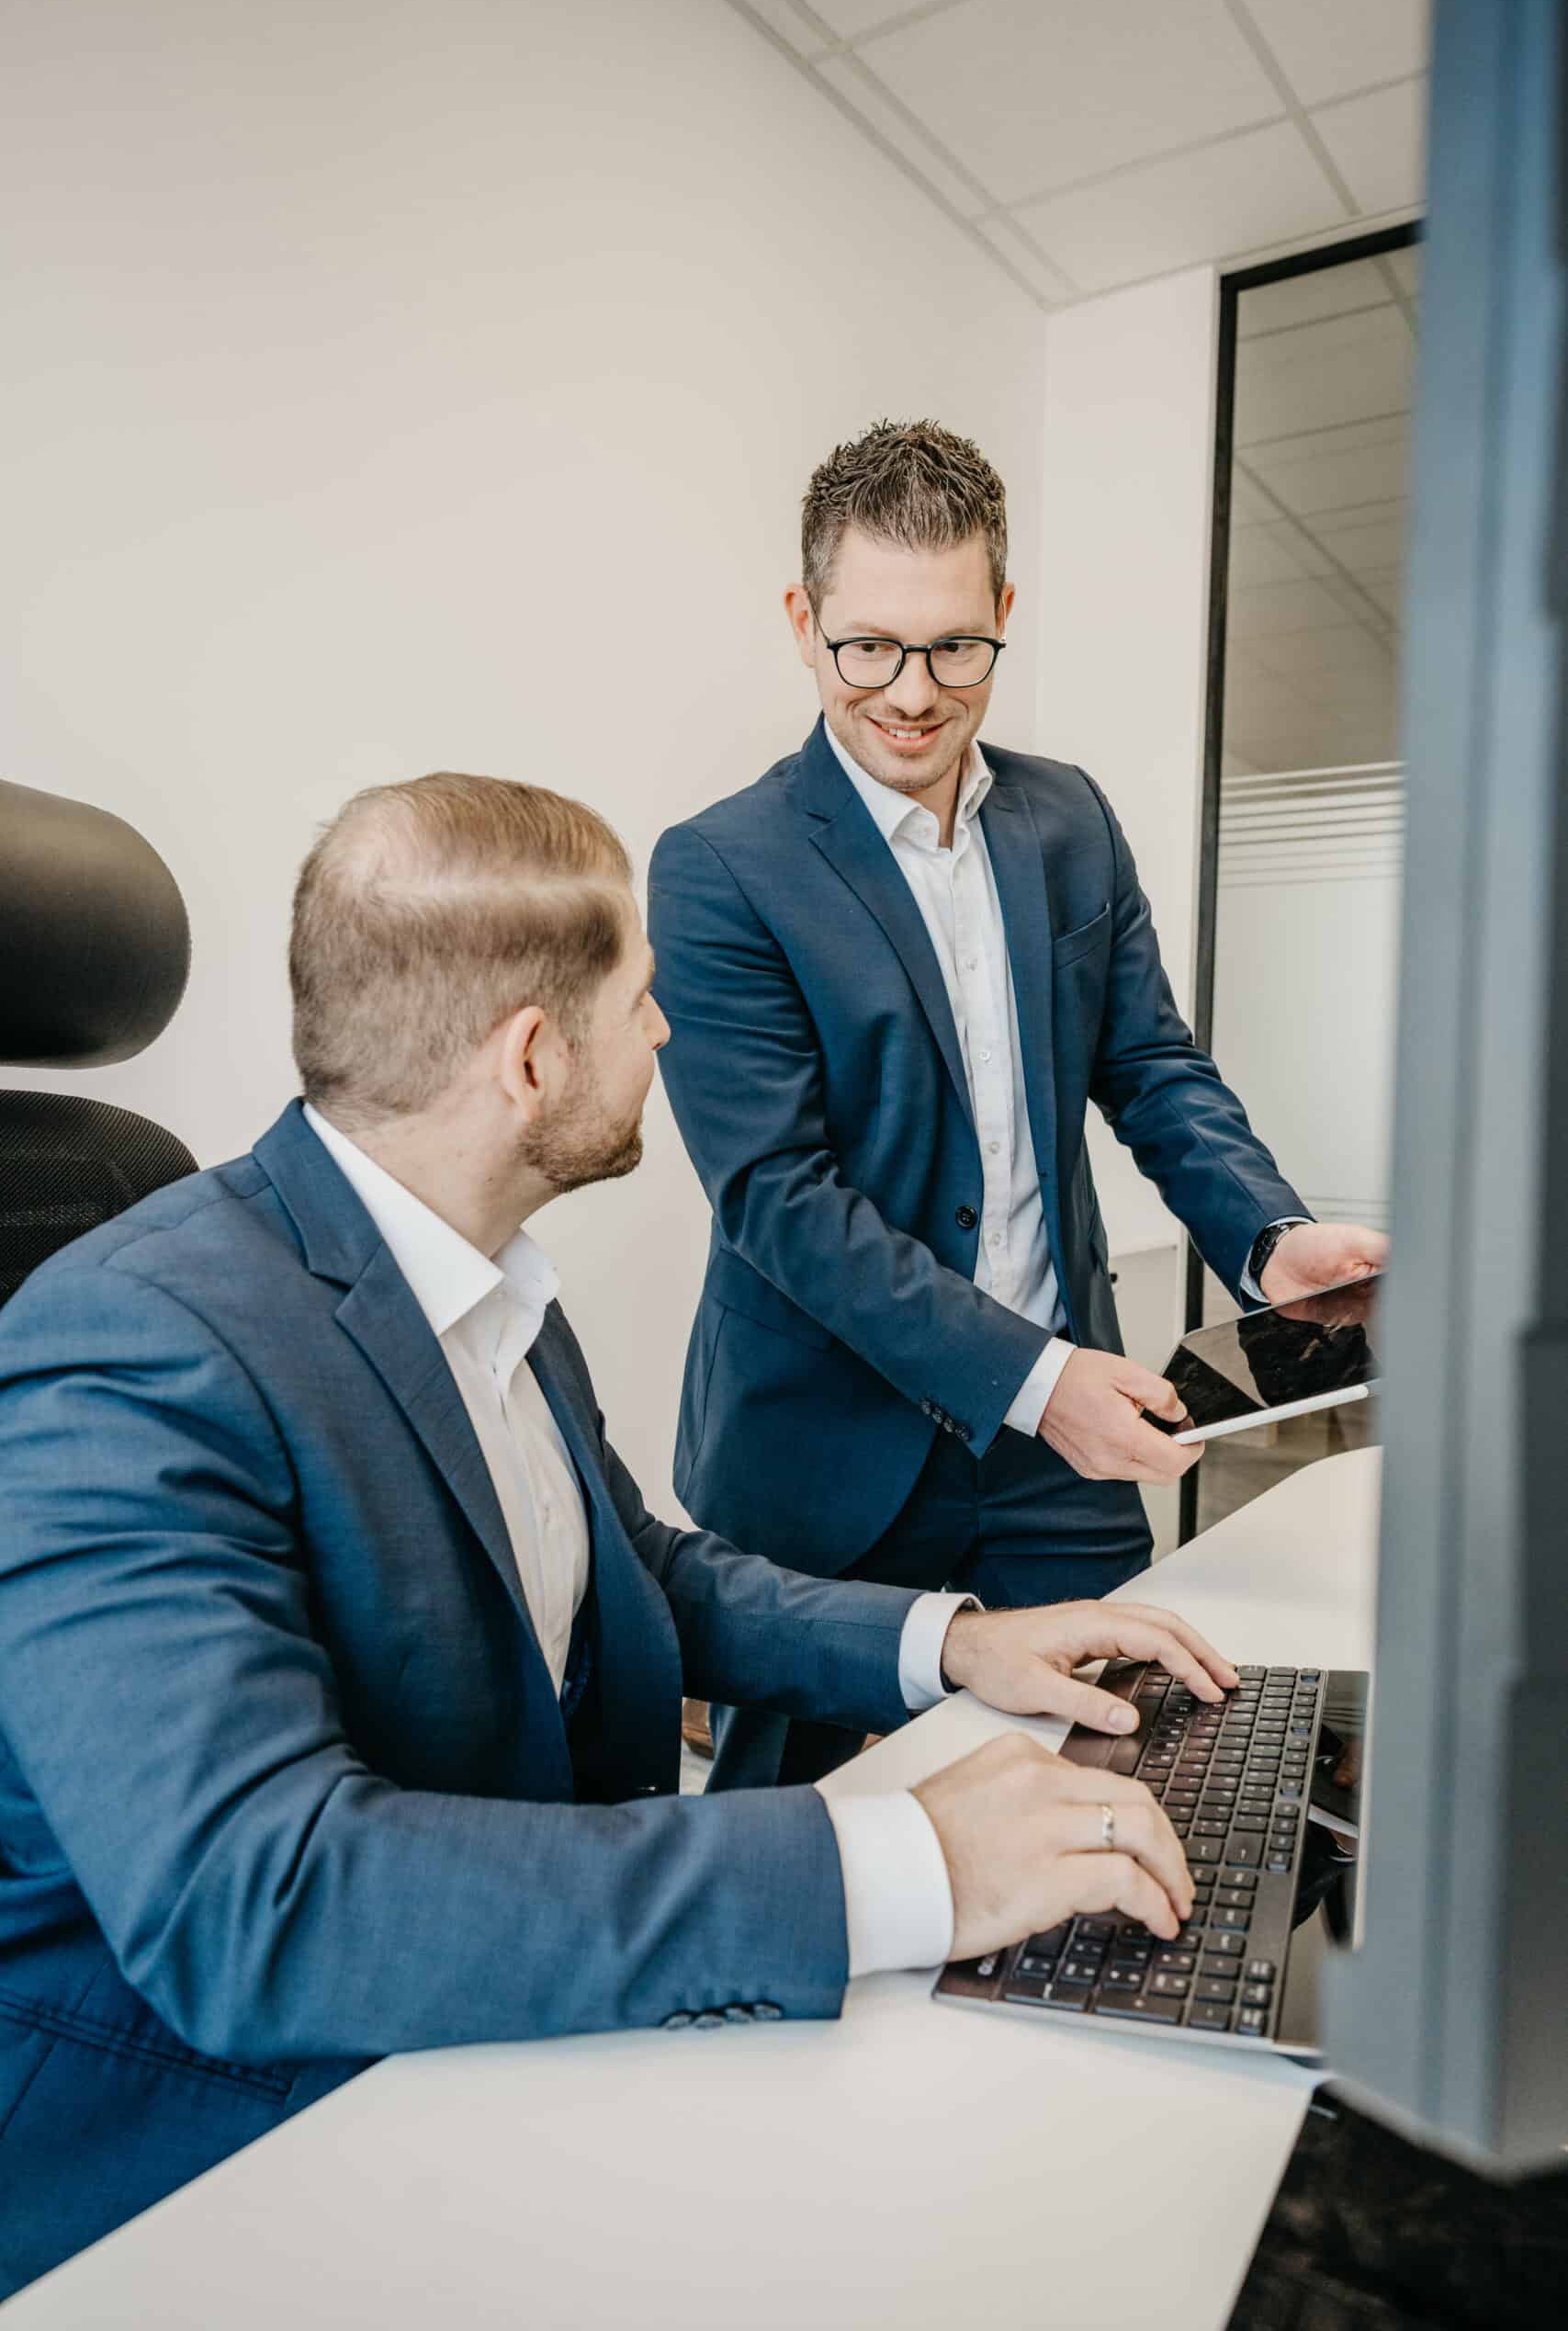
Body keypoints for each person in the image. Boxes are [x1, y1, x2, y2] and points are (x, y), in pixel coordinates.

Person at [0, 772, 1236, 2296]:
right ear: (532, 1056)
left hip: (494, 2013)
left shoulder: (484, 1281)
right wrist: (896, 1862)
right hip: (218, 2138)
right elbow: (264, 1901)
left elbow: (630, 1579)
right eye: (643, 1000)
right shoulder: (130, 1345)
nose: (666, 1037)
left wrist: (954, 1641)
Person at [649, 420, 1387, 1794]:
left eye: (953, 646)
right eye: (870, 644)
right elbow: (777, 1200)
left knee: (1121, 1772)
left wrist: (1270, 1239)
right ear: (805, 624)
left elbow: (1151, 1065)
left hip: (1062, 1459)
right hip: (824, 1454)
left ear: (1003, 613)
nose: (913, 692)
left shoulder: (1069, 822)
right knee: (798, 1826)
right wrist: (1037, 1387)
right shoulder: (719, 869)